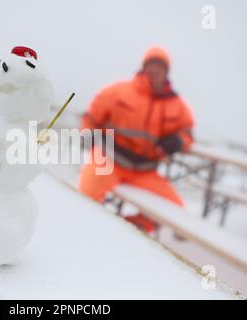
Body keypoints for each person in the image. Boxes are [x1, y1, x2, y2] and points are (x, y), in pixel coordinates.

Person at [78, 46, 194, 234]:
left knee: (175, 210)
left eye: (160, 66)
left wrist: (179, 141)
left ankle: (126, 229)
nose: (155, 70)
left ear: (166, 71)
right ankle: (84, 232)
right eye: (151, 65)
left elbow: (188, 133)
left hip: (145, 172)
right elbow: (90, 118)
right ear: (144, 67)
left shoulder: (177, 105)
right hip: (108, 161)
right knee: (83, 200)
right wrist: (88, 134)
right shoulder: (117, 91)